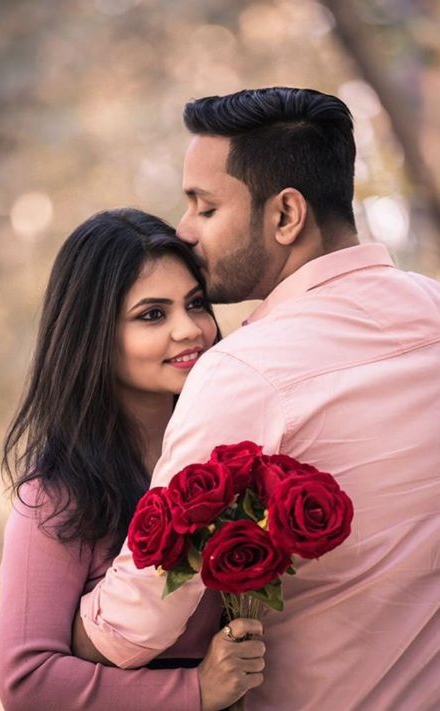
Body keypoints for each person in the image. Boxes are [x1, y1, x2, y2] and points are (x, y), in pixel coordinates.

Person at [76, 88, 440, 710]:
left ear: (286, 215)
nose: (184, 231)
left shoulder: (245, 373)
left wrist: (48, 642)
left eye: (205, 206)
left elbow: (136, 625)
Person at [0, 207, 266, 711]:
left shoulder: (234, 464)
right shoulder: (57, 497)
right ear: (93, 333)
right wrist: (195, 691)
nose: (190, 330)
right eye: (152, 314)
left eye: (196, 303)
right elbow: (27, 680)